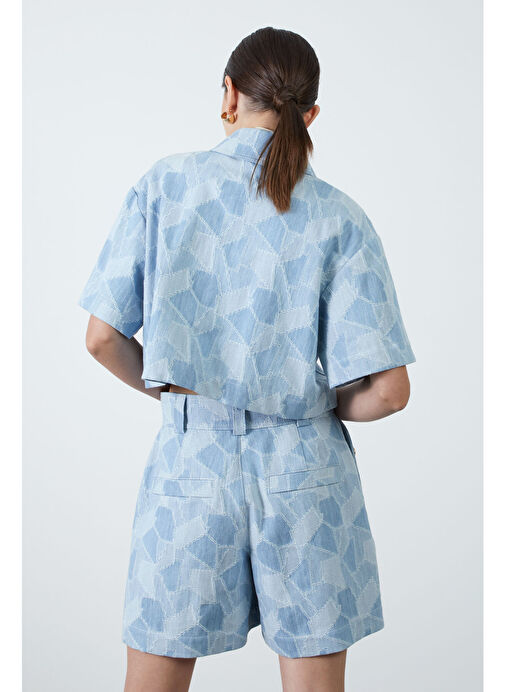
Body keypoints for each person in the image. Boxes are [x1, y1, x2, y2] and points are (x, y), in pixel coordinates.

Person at [78, 26, 415, 692]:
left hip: (191, 465)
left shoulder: (165, 186)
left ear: (229, 94)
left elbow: (101, 338)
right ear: (309, 115)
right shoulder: (341, 218)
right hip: (307, 472)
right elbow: (389, 391)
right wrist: (306, 404)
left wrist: (180, 397)